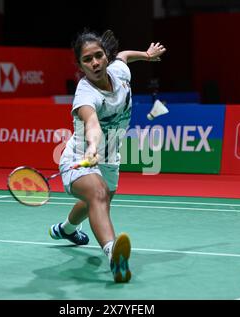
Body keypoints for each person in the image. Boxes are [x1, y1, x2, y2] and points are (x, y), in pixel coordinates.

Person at [49, 29, 166, 283]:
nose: (95, 63)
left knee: (98, 200)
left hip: (110, 158)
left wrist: (146, 55)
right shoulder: (85, 93)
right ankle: (114, 255)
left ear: (105, 56)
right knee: (98, 193)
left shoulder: (119, 72)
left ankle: (66, 230)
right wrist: (92, 148)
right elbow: (92, 122)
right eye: (87, 60)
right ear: (80, 66)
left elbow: (123, 56)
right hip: (80, 157)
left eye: (99, 56)